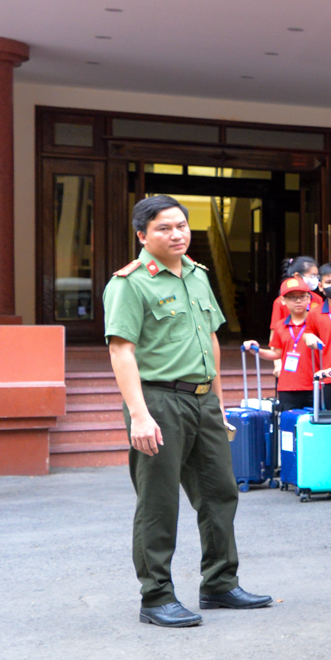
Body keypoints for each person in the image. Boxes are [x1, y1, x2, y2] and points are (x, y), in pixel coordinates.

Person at [103, 195, 270, 628]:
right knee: (159, 502)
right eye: (164, 228)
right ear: (142, 235)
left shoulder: (197, 276)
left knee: (220, 493)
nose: (177, 234)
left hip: (202, 401)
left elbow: (211, 339)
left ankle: (219, 583)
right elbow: (122, 351)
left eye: (181, 226)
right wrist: (139, 414)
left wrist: (217, 400)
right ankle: (156, 596)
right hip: (159, 400)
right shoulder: (129, 283)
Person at [249, 276, 329, 417]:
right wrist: (257, 351)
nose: (298, 301)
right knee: (288, 427)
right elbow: (276, 353)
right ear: (283, 301)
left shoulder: (318, 322)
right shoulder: (280, 325)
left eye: (302, 297)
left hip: (315, 385)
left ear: (310, 299)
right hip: (287, 386)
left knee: (315, 426)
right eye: (292, 297)